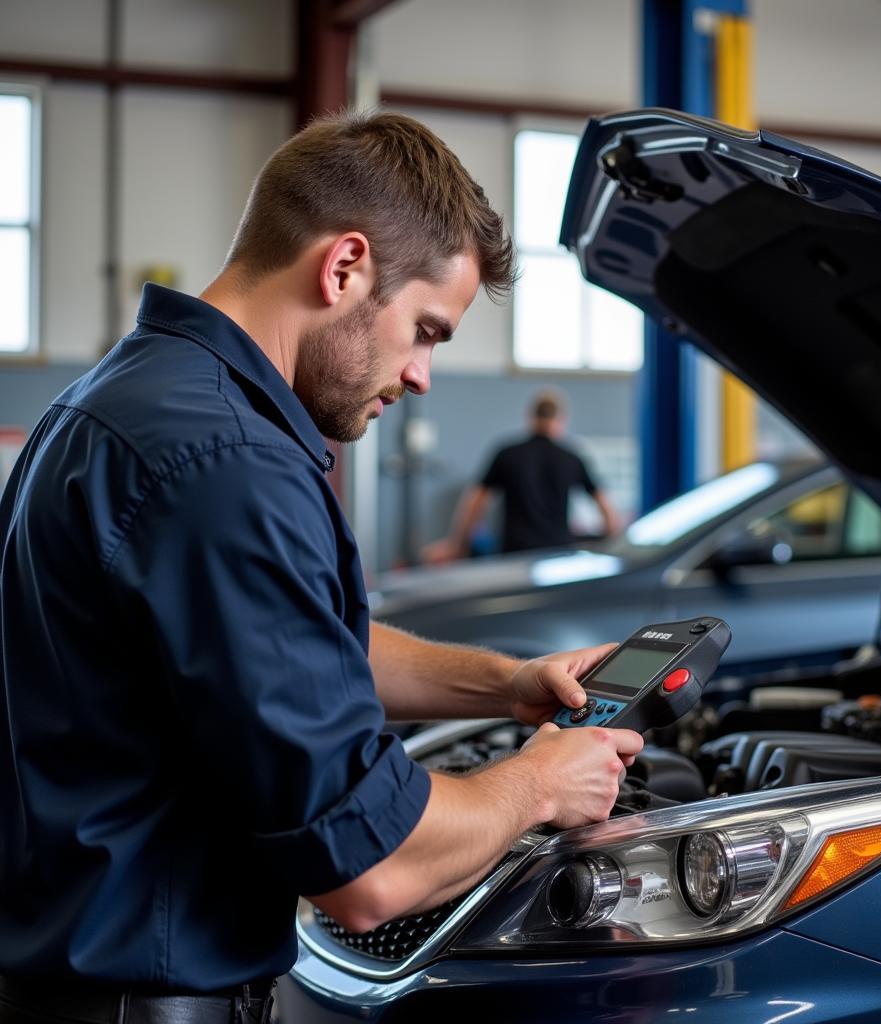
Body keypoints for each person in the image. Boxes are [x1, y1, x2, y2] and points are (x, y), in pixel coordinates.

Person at [0, 111, 644, 1023]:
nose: (422, 375)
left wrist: (509, 686)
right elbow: (371, 868)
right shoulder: (226, 463)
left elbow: (281, 649)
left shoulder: (121, 400)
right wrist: (542, 781)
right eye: (425, 330)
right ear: (343, 268)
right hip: (145, 997)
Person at [424, 390, 620, 561]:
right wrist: (615, 546)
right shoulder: (572, 458)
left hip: (516, 553)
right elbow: (605, 507)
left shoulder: (508, 453)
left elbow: (475, 503)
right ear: (562, 419)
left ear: (531, 416)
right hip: (559, 554)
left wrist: (457, 545)